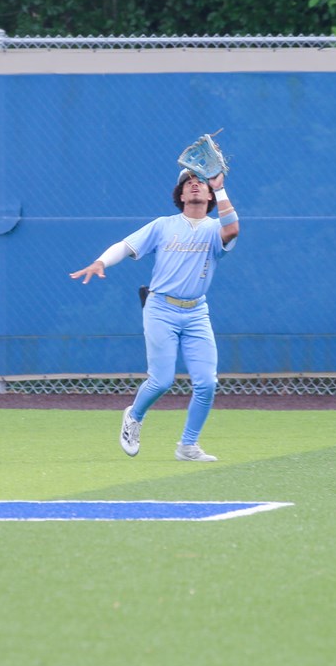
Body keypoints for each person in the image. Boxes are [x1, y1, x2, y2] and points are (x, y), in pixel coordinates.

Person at [70, 168, 240, 461]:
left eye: (200, 182)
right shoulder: (164, 225)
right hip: (161, 308)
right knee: (161, 381)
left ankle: (187, 446)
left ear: (210, 194)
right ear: (181, 194)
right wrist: (101, 262)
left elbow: (233, 230)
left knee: (207, 383)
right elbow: (126, 245)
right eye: (188, 183)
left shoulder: (216, 229)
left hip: (197, 312)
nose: (194, 185)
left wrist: (221, 188)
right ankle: (134, 416)